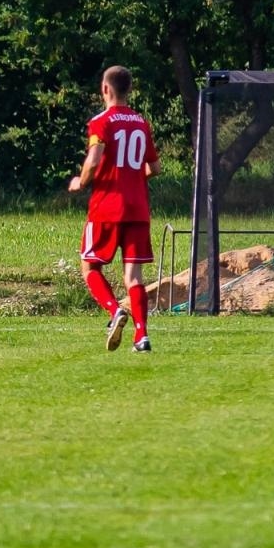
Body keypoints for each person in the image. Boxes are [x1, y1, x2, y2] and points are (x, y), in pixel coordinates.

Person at [69, 65, 161, 353]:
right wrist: (132, 178)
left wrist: (81, 182)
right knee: (133, 277)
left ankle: (114, 311)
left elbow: (94, 160)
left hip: (107, 206)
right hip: (138, 207)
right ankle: (142, 336)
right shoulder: (141, 122)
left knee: (90, 266)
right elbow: (154, 167)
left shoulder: (101, 122)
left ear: (105, 89)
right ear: (129, 90)